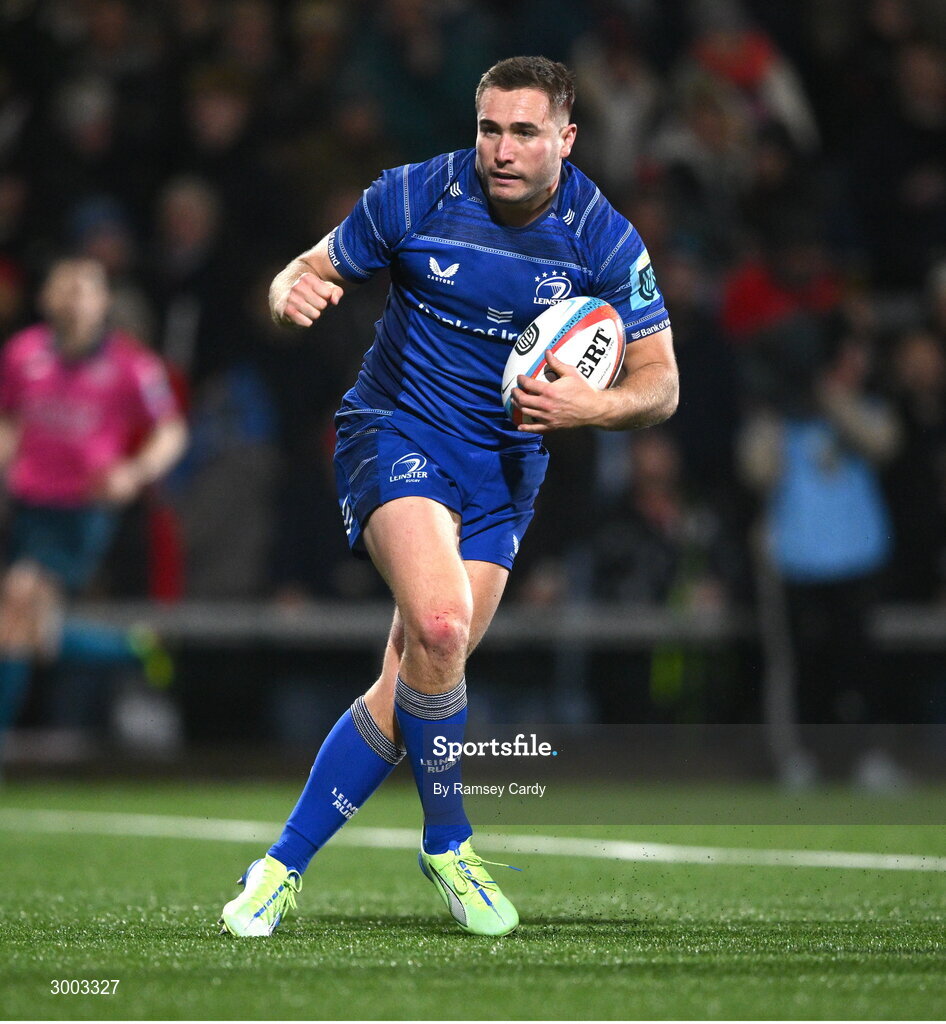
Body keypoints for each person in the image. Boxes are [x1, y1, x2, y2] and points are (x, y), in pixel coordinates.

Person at [219, 56, 677, 938]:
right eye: (490, 129)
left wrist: (597, 405)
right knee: (438, 627)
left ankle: (277, 867)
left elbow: (662, 385)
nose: (502, 150)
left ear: (566, 139)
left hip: (505, 471)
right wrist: (289, 288)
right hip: (397, 431)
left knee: (420, 676)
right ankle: (450, 841)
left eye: (525, 132)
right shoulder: (413, 193)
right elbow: (306, 270)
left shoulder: (605, 237)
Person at [0, 257, 188, 761]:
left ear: (103, 302)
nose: (74, 299)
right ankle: (132, 646)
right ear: (46, 298)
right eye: (65, 287)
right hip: (28, 507)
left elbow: (171, 431)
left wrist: (134, 472)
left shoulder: (132, 364)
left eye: (86, 290)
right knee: (30, 630)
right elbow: (9, 419)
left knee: (17, 600)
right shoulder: (22, 354)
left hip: (84, 509)